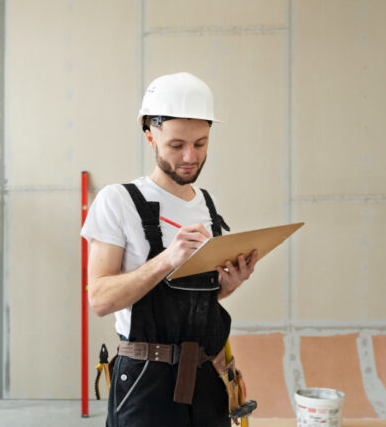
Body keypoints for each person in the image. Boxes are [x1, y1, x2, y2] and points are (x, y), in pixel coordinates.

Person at [81, 72, 259, 427]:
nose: (190, 156)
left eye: (201, 143)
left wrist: (227, 285)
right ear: (150, 136)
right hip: (147, 383)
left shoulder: (207, 205)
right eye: (176, 145)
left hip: (207, 379)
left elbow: (188, 302)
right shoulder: (119, 201)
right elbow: (100, 299)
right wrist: (167, 259)